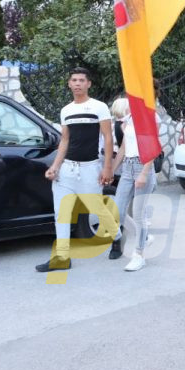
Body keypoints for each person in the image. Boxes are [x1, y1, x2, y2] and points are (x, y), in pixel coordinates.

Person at [36, 67, 117, 272]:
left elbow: (108, 138)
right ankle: (62, 257)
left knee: (96, 209)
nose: (78, 83)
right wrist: (55, 166)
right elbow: (65, 140)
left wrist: (107, 167)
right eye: (74, 80)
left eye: (82, 80)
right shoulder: (66, 110)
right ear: (69, 84)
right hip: (66, 171)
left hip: (90, 168)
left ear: (88, 84)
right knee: (61, 213)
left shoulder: (99, 107)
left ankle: (117, 237)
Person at [110, 97, 158, 271]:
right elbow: (123, 147)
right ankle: (144, 238)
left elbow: (153, 146)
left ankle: (139, 255)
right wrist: (111, 169)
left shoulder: (148, 117)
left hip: (143, 165)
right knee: (117, 210)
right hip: (128, 168)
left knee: (138, 215)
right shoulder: (128, 119)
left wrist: (144, 173)